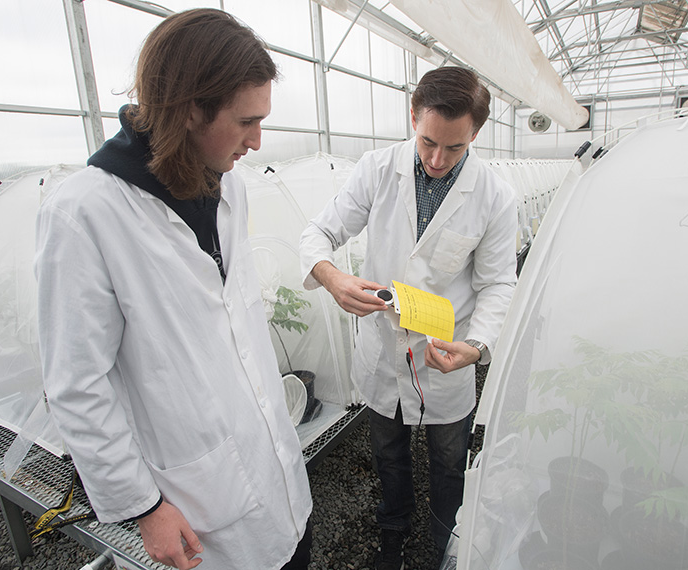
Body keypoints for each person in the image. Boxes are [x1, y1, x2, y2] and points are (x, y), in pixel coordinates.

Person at [34, 9, 311, 570]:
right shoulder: (86, 213)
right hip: (200, 509)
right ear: (190, 109)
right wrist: (144, 506)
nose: (258, 141)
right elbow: (77, 383)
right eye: (245, 121)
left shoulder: (227, 188)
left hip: (275, 469)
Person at [299, 67, 518, 569]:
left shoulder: (494, 197)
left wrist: (478, 346)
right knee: (389, 455)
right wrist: (330, 276)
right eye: (427, 143)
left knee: (447, 462)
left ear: (475, 135)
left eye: (455, 148)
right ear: (413, 116)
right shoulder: (378, 170)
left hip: (445, 357)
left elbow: (497, 284)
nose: (438, 160)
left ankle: (444, 543)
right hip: (381, 354)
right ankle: (392, 532)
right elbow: (319, 234)